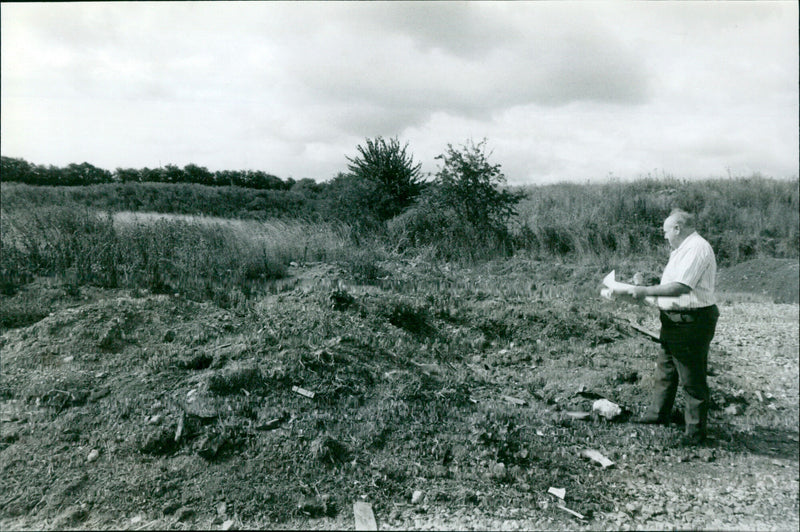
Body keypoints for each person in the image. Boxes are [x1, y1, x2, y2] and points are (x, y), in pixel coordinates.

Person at [615, 209, 719, 445]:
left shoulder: (697, 248)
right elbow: (670, 286)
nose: (664, 236)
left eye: (665, 231)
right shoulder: (680, 250)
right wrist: (645, 287)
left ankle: (695, 434)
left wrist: (644, 292)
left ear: (677, 228)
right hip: (675, 319)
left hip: (692, 320)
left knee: (692, 378)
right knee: (666, 369)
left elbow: (680, 287)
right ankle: (658, 414)